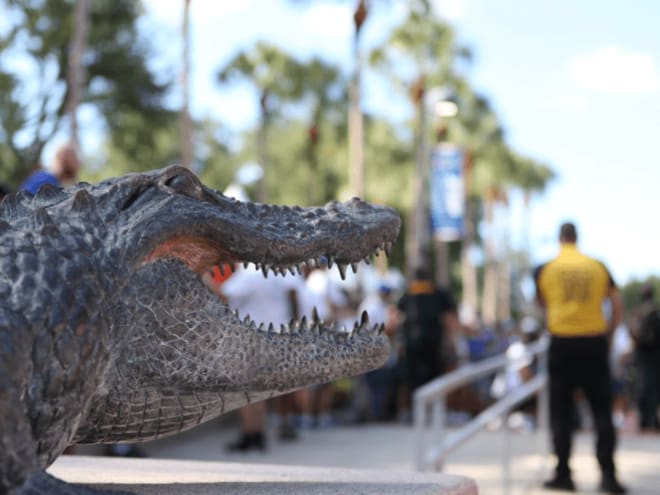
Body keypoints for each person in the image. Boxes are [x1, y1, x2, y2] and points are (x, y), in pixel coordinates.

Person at [534, 222, 626, 494]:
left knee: (561, 413)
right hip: (593, 342)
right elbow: (617, 306)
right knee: (602, 412)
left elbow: (542, 304)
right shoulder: (598, 266)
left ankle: (564, 474)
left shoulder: (546, 269)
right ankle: (608, 476)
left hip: (562, 343)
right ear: (577, 238)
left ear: (560, 239)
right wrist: (608, 336)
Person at [396, 266, 460, 414]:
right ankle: (433, 409)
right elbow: (449, 319)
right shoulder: (439, 293)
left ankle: (415, 410)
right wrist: (453, 341)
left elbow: (397, 317)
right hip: (433, 342)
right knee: (434, 376)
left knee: (413, 377)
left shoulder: (407, 294)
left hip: (411, 343)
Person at [628, 284, 660, 431]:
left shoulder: (639, 312)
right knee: (651, 387)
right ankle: (651, 420)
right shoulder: (654, 310)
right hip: (653, 354)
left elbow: (633, 333)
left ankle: (646, 421)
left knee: (645, 386)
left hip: (643, 353)